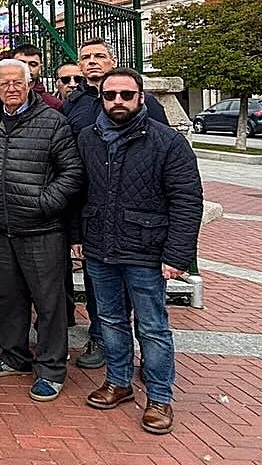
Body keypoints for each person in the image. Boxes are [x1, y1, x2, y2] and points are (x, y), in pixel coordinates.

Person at [77, 68, 202, 435]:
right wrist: (77, 235)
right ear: (101, 98)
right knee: (110, 321)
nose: (117, 101)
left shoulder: (167, 141)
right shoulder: (88, 138)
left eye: (126, 95)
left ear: (141, 97)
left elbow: (187, 199)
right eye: (110, 95)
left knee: (152, 327)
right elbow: (78, 192)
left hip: (146, 251)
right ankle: (118, 382)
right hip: (101, 247)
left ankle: (160, 397)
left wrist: (176, 256)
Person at [0, 60, 83, 402]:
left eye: (18, 83)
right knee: (7, 296)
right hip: (0, 227)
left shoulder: (53, 122)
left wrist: (44, 203)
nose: (11, 89)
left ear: (30, 83)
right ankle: (14, 355)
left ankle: (50, 370)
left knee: (48, 302)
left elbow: (72, 172)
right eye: (4, 84)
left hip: (42, 229)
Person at [64, 38, 168, 369]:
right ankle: (102, 342)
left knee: (147, 306)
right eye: (86, 57)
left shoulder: (147, 104)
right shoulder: (76, 104)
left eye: (100, 56)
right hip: (96, 218)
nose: (92, 61)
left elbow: (166, 161)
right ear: (79, 65)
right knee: (101, 295)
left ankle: (152, 370)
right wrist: (76, 229)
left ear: (113, 60)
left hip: (140, 221)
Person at [0, 44, 62, 112]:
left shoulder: (53, 104)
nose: (27, 68)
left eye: (33, 64)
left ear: (40, 68)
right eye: (21, 64)